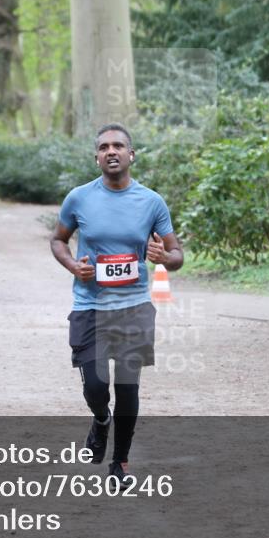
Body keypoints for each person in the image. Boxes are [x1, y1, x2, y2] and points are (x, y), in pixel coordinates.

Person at [50, 123, 183, 485]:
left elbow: (177, 254)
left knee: (127, 388)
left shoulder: (151, 202)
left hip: (134, 306)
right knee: (95, 387)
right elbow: (59, 240)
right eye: (104, 147)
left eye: (119, 146)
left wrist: (164, 257)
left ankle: (120, 462)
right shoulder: (78, 198)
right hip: (89, 306)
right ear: (96, 156)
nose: (112, 151)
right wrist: (73, 265)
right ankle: (100, 419)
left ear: (131, 154)